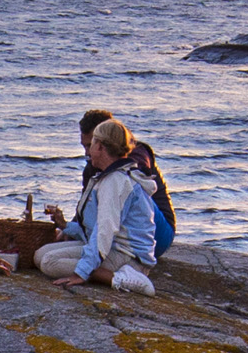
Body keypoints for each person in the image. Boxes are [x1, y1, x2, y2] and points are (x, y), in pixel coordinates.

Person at [38, 111, 160, 293]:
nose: (87, 152)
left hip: (128, 255)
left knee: (50, 263)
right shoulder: (107, 177)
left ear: (101, 147)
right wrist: (65, 225)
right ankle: (105, 269)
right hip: (112, 247)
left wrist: (81, 273)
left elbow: (105, 230)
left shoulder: (115, 182)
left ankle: (122, 278)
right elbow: (95, 229)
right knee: (40, 255)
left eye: (92, 144)